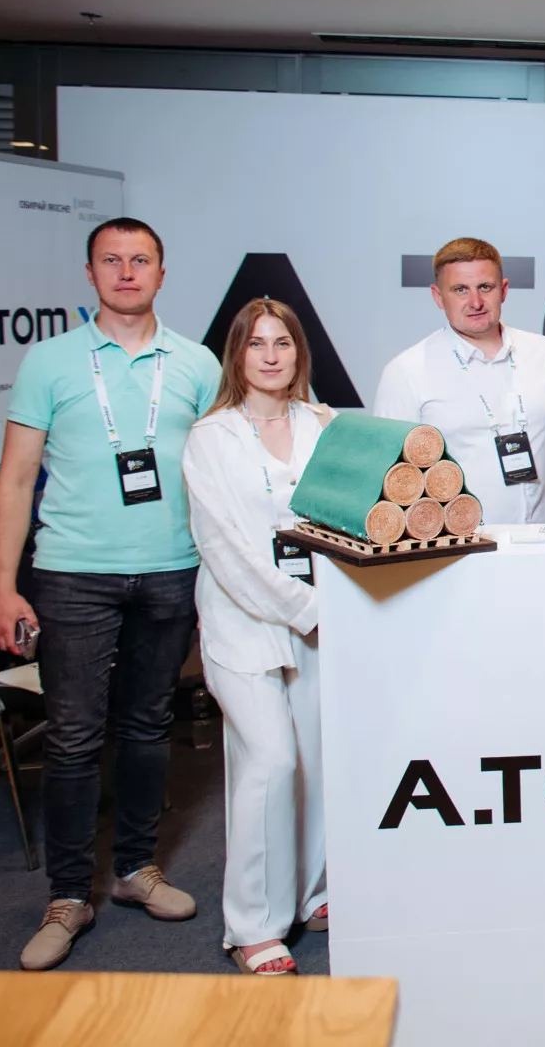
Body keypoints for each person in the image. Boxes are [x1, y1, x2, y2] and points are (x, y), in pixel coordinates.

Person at [0, 217, 222, 972]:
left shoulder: (195, 363)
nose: (127, 272)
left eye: (141, 260)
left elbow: (220, 473)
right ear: (90, 274)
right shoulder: (51, 361)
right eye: (111, 261)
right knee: (73, 736)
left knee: (149, 726)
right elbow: (15, 480)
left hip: (171, 569)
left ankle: (134, 869)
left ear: (162, 272)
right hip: (73, 573)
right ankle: (67, 896)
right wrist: (3, 586)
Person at [183, 299, 333, 976]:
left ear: (299, 352)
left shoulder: (323, 425)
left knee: (316, 759)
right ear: (237, 355)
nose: (271, 356)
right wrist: (305, 607)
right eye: (257, 344)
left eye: (283, 343)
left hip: (322, 619)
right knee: (269, 761)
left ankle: (311, 893)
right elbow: (225, 548)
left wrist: (327, 609)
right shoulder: (211, 437)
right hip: (246, 621)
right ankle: (252, 925)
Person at [374, 238, 545, 524]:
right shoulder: (407, 371)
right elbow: (393, 480)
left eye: (485, 287)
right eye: (460, 289)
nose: (476, 302)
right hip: (461, 546)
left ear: (503, 290)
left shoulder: (544, 352)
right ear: (438, 297)